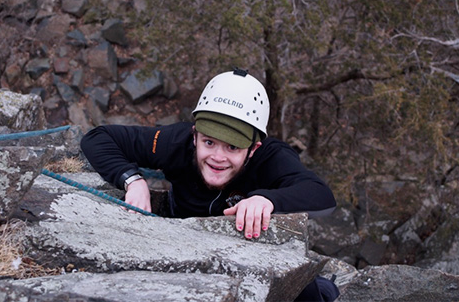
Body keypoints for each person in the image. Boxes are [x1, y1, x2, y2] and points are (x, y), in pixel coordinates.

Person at [80, 68, 339, 301]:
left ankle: (327, 288)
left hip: (249, 254)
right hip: (180, 241)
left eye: (233, 147)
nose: (217, 157)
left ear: (253, 149)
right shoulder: (176, 142)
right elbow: (99, 138)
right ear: (195, 135)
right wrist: (133, 180)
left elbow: (320, 195)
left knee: (308, 292)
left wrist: (267, 199)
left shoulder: (272, 157)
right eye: (209, 142)